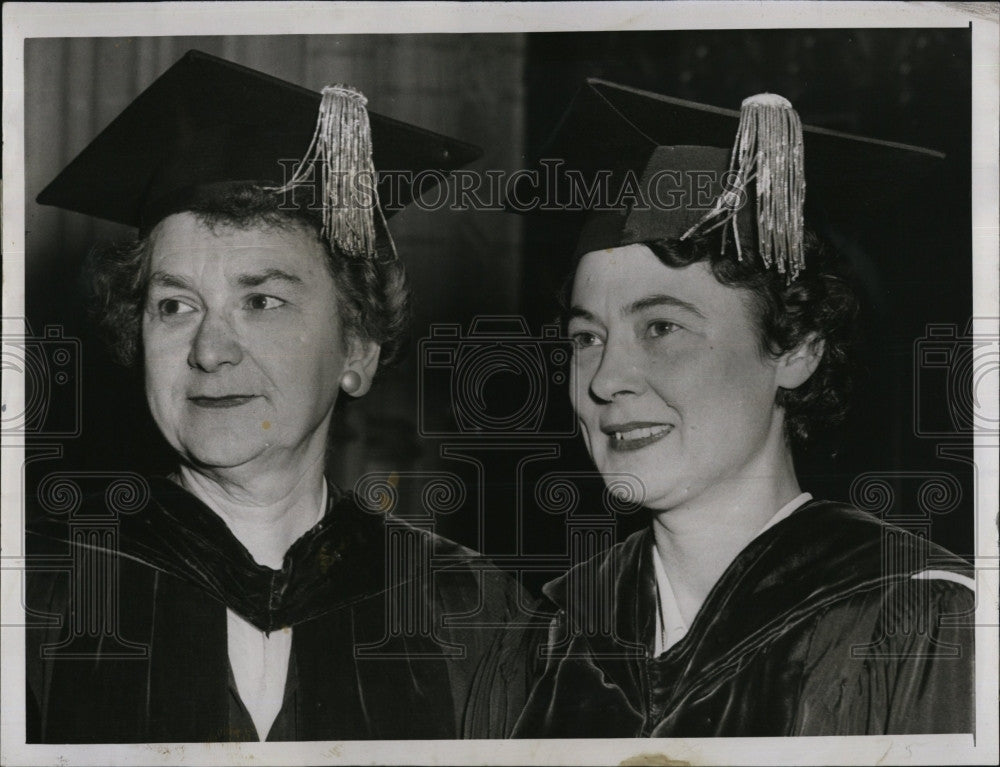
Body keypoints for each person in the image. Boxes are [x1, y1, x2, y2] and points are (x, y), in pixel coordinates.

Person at [26, 50, 523, 742]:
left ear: (356, 347)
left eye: (260, 299)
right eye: (174, 306)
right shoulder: (36, 599)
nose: (209, 349)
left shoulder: (473, 612)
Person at [496, 79, 975, 737]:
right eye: (586, 337)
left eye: (661, 327)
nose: (605, 379)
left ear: (796, 348)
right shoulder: (554, 635)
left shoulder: (917, 617)